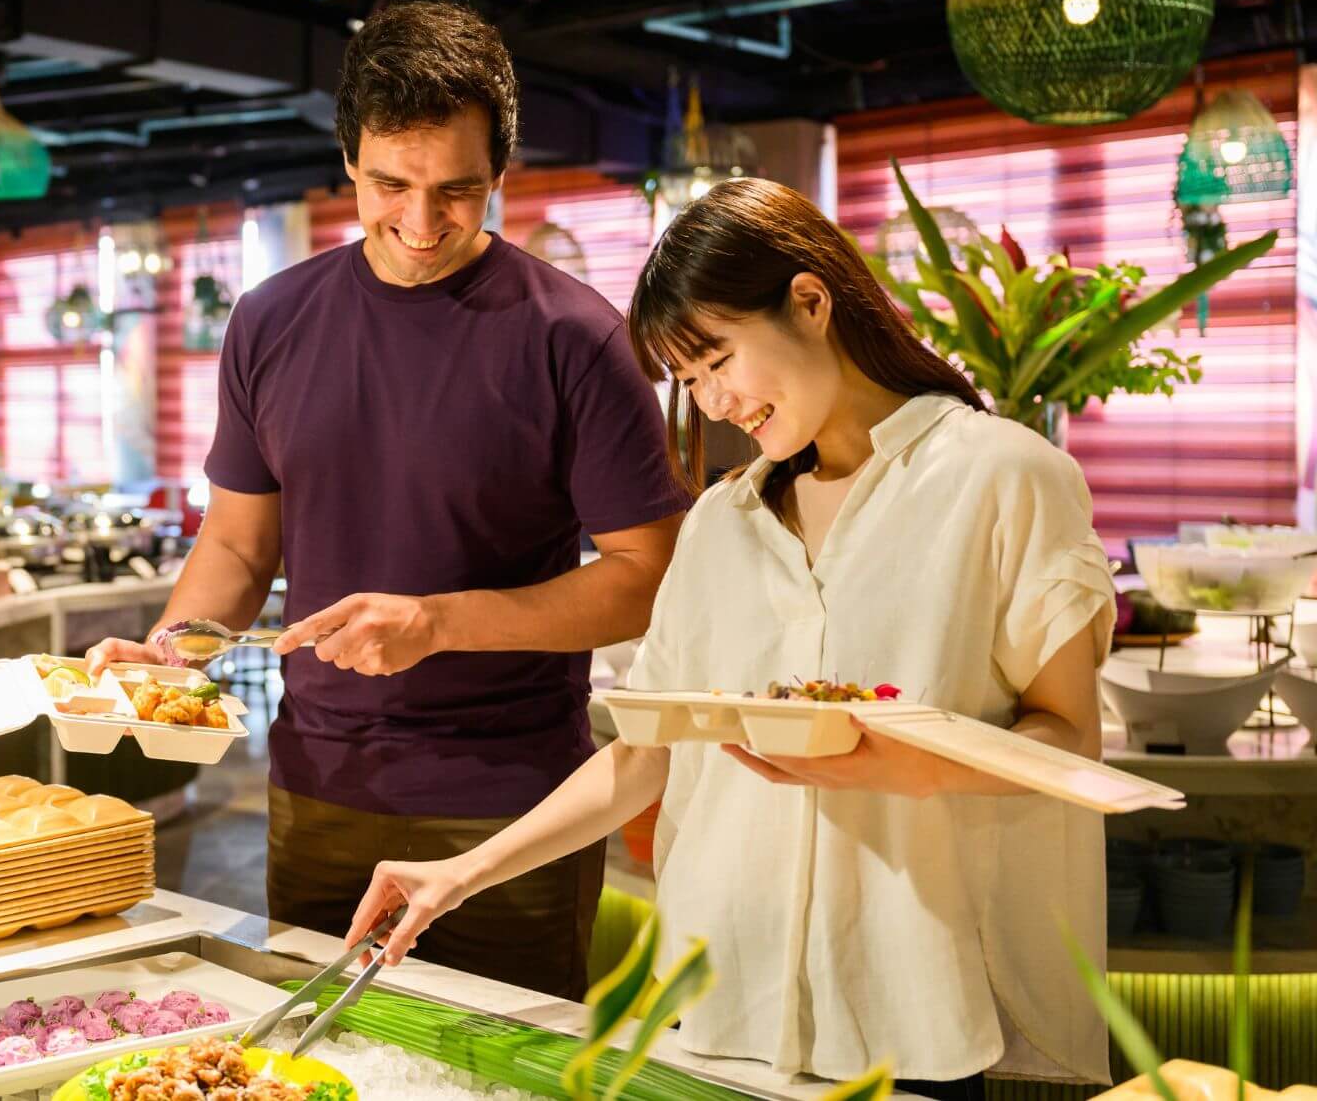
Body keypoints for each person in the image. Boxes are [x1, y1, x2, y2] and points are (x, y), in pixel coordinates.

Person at [346, 178, 1113, 1101]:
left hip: (903, 1011)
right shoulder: (721, 522)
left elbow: (1071, 738)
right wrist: (462, 874)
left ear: (810, 300)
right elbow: (647, 753)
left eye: (718, 359)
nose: (713, 404)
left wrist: (913, 765)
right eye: (690, 379)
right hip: (711, 1003)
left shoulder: (1005, 478)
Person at [89, 1, 689, 1001]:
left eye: (456, 191)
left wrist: (438, 623)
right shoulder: (270, 322)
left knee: (490, 1075)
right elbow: (239, 547)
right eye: (388, 186)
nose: (419, 223)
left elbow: (650, 578)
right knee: (313, 1063)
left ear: (500, 172)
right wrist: (172, 654)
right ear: (347, 164)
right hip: (316, 792)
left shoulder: (573, 338)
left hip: (507, 810)